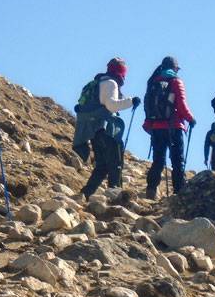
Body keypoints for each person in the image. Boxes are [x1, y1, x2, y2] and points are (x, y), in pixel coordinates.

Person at [73, 58, 139, 199]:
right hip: (107, 130)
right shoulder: (111, 83)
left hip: (94, 130)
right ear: (121, 72)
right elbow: (111, 105)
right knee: (115, 163)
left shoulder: (99, 82)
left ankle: (85, 194)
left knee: (102, 166)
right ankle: (115, 195)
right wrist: (131, 101)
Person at [142, 56, 196, 198]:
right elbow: (181, 105)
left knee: (158, 160)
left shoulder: (153, 81)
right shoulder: (176, 82)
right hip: (174, 127)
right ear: (174, 68)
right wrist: (190, 119)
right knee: (177, 161)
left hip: (156, 127)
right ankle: (179, 193)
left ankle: (151, 190)